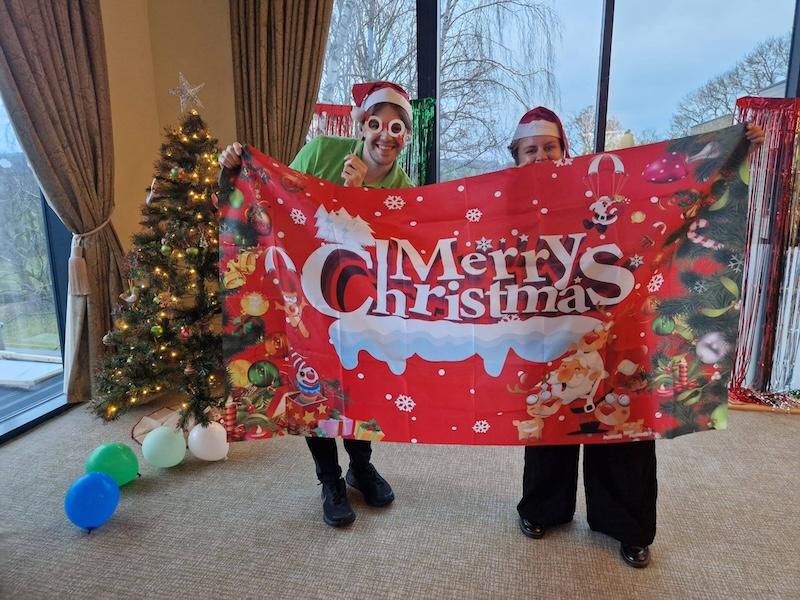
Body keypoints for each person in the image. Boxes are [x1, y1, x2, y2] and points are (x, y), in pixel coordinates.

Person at [507, 107, 765, 568]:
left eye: (550, 147)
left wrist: (732, 147)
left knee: (621, 424)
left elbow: (666, 194)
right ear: (517, 156)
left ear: (566, 151)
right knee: (549, 423)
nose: (542, 156)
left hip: (615, 328)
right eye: (531, 149)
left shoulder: (598, 192)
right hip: (546, 333)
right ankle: (543, 507)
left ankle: (628, 525)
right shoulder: (501, 202)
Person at [220, 81, 414, 528]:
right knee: (314, 384)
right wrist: (236, 164)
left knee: (361, 383)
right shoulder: (322, 150)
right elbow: (276, 200)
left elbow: (395, 247)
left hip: (362, 300)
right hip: (306, 295)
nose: (385, 136)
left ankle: (360, 466)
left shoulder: (404, 186)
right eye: (376, 124)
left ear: (405, 135)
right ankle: (329, 479)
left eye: (397, 128)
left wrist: (360, 199)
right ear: (361, 126)